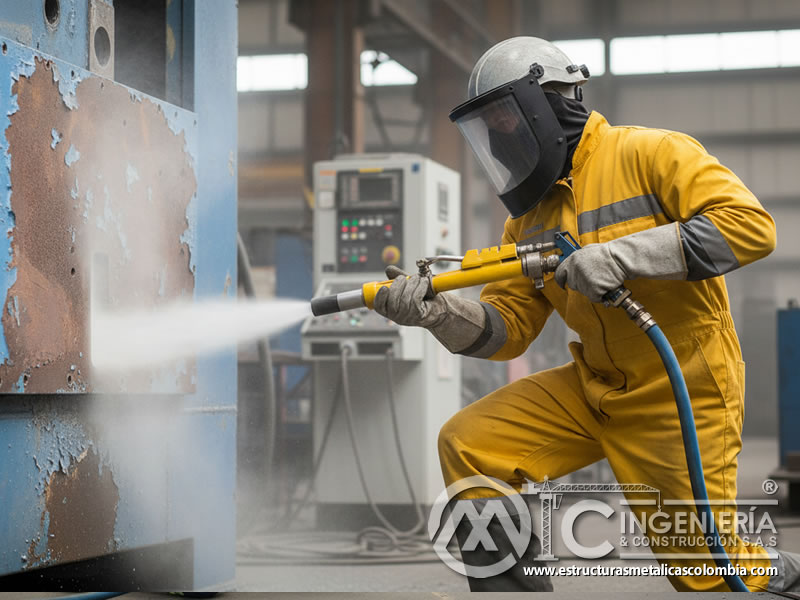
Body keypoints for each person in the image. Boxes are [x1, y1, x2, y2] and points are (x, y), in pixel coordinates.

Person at [373, 36, 800, 593]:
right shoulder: (526, 221)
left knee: (709, 574)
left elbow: (750, 227)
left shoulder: (652, 153)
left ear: (550, 103)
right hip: (594, 384)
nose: (499, 136)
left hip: (681, 389)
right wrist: (438, 315)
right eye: (488, 124)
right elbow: (507, 330)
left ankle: (781, 574)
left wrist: (622, 255)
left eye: (505, 116)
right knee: (470, 443)